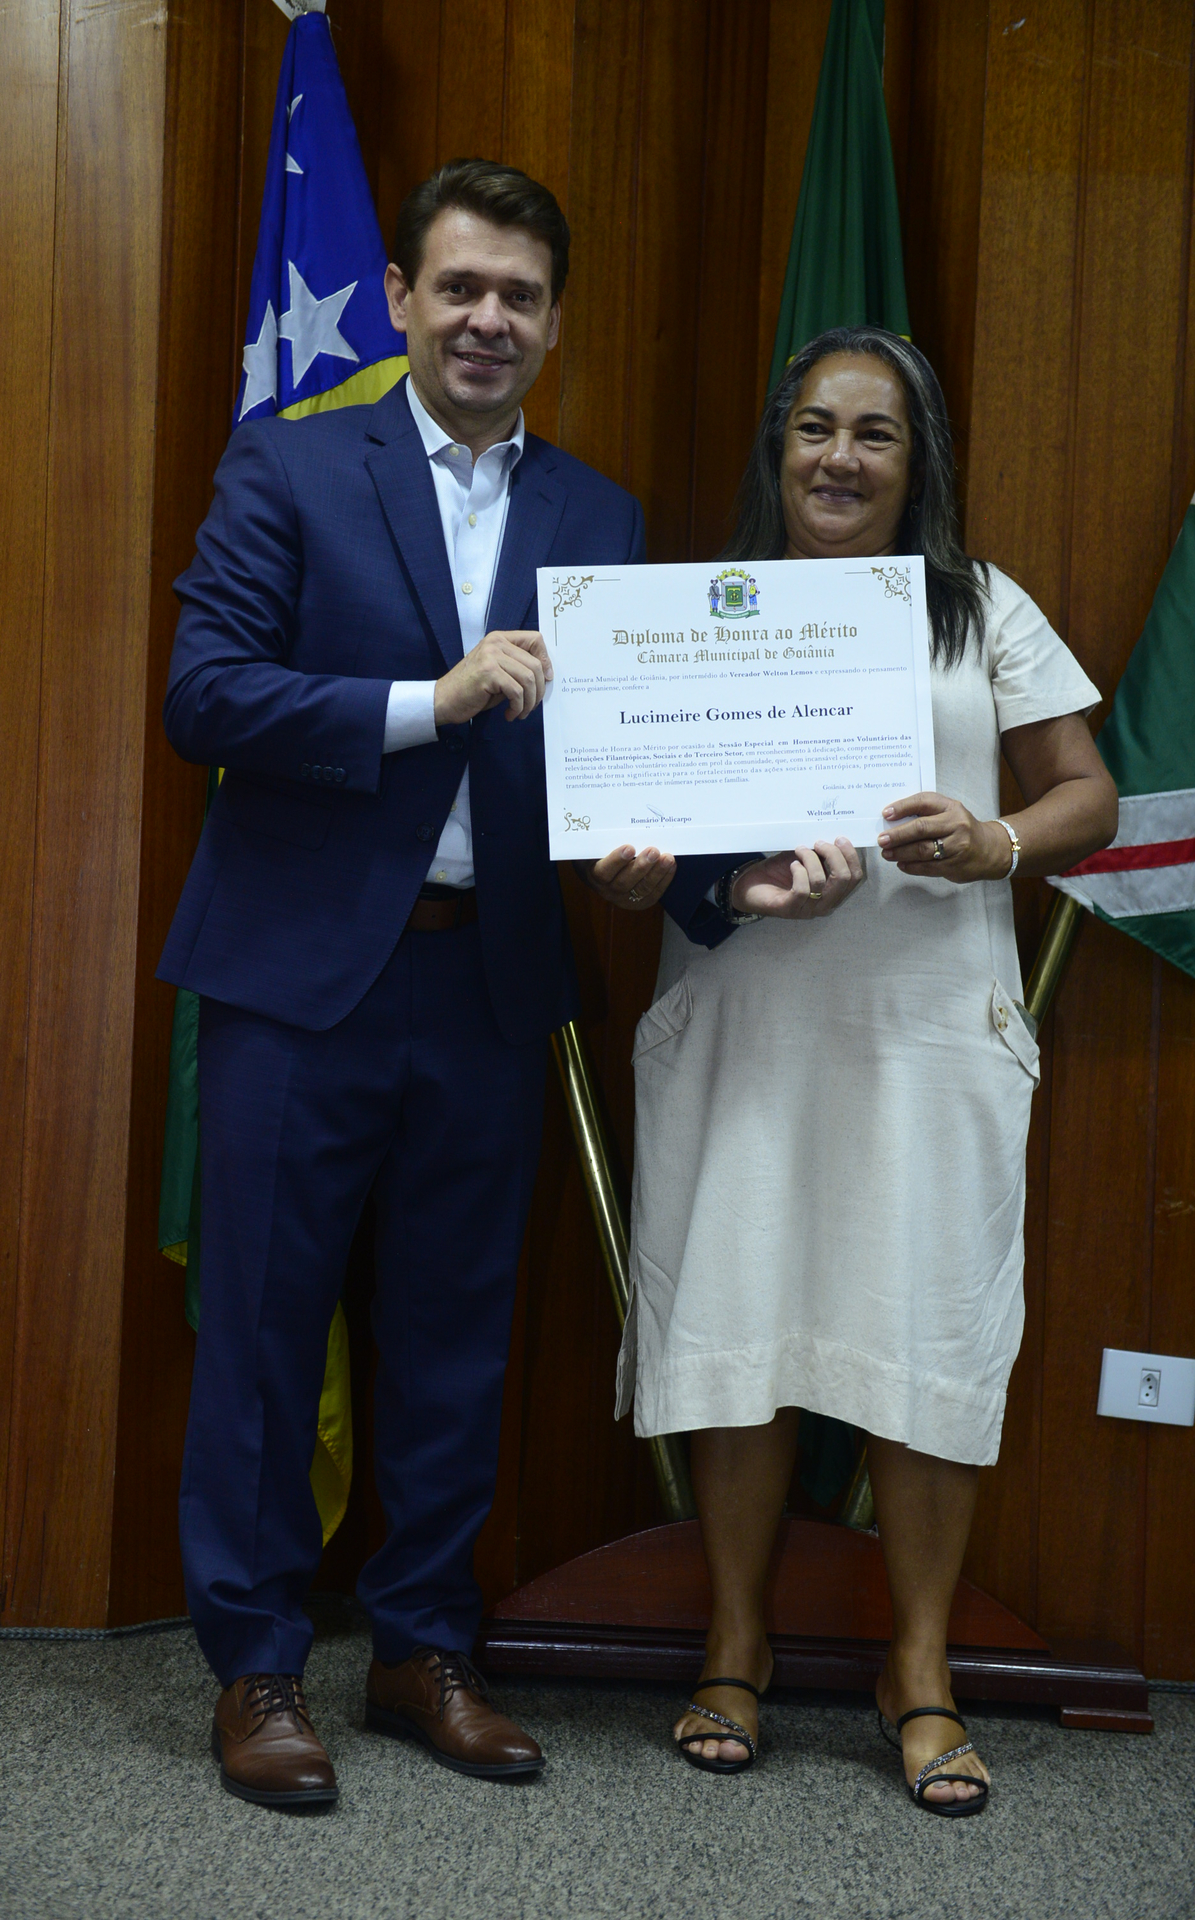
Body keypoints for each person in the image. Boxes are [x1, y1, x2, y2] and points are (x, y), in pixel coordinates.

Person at [159, 158, 663, 1808]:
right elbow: (207, 694)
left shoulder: (599, 519)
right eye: (459, 287)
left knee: (454, 1340)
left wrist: (653, 862)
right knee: (260, 1332)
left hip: (487, 988)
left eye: (519, 295)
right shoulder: (291, 464)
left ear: (554, 323)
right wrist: (423, 704)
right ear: (397, 299)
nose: (486, 319)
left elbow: (618, 759)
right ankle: (254, 1666)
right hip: (296, 985)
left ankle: (421, 1651)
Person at [619, 326, 1117, 1815]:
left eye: (875, 434)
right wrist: (647, 878)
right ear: (778, 448)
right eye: (815, 428)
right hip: (745, 1020)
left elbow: (1088, 795)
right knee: (741, 1317)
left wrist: (995, 840)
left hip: (924, 1028)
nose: (839, 457)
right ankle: (735, 1642)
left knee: (920, 1336)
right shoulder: (696, 614)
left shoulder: (979, 607)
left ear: (918, 463)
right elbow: (635, 832)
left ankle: (919, 1665)